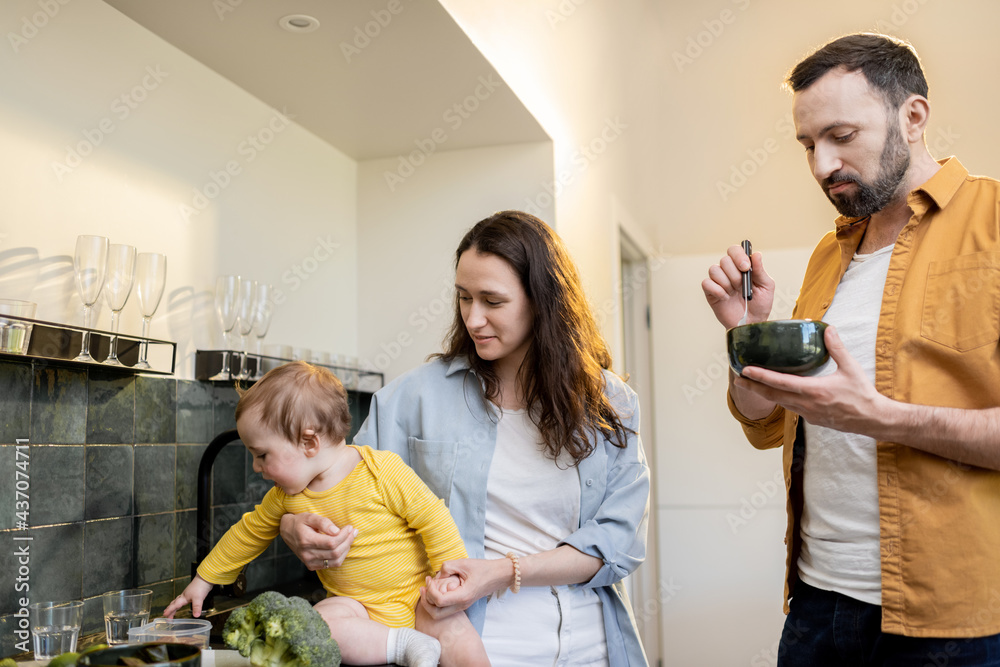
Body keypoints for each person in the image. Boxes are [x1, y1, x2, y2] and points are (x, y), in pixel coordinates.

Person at [702, 33, 1000, 666]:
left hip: (957, 620)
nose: (821, 165)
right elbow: (766, 424)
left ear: (913, 117)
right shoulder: (824, 257)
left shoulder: (995, 225)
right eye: (808, 144)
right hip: (816, 606)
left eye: (841, 136)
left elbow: (863, 413)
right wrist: (744, 336)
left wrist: (882, 417)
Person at [280, 210, 650, 666]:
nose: (474, 319)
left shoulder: (610, 404)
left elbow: (619, 542)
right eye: (463, 298)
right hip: (471, 646)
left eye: (492, 301)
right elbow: (335, 486)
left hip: (594, 647)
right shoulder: (412, 398)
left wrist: (504, 571)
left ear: (542, 300)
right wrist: (292, 525)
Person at [162, 361, 489, 667]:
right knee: (319, 623)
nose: (256, 467)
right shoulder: (285, 498)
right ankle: (403, 644)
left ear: (309, 442)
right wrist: (204, 580)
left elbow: (433, 518)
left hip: (420, 597)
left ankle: (414, 640)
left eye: (262, 455)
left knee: (463, 643)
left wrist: (450, 576)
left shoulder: (381, 471)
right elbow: (247, 534)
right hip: (355, 608)